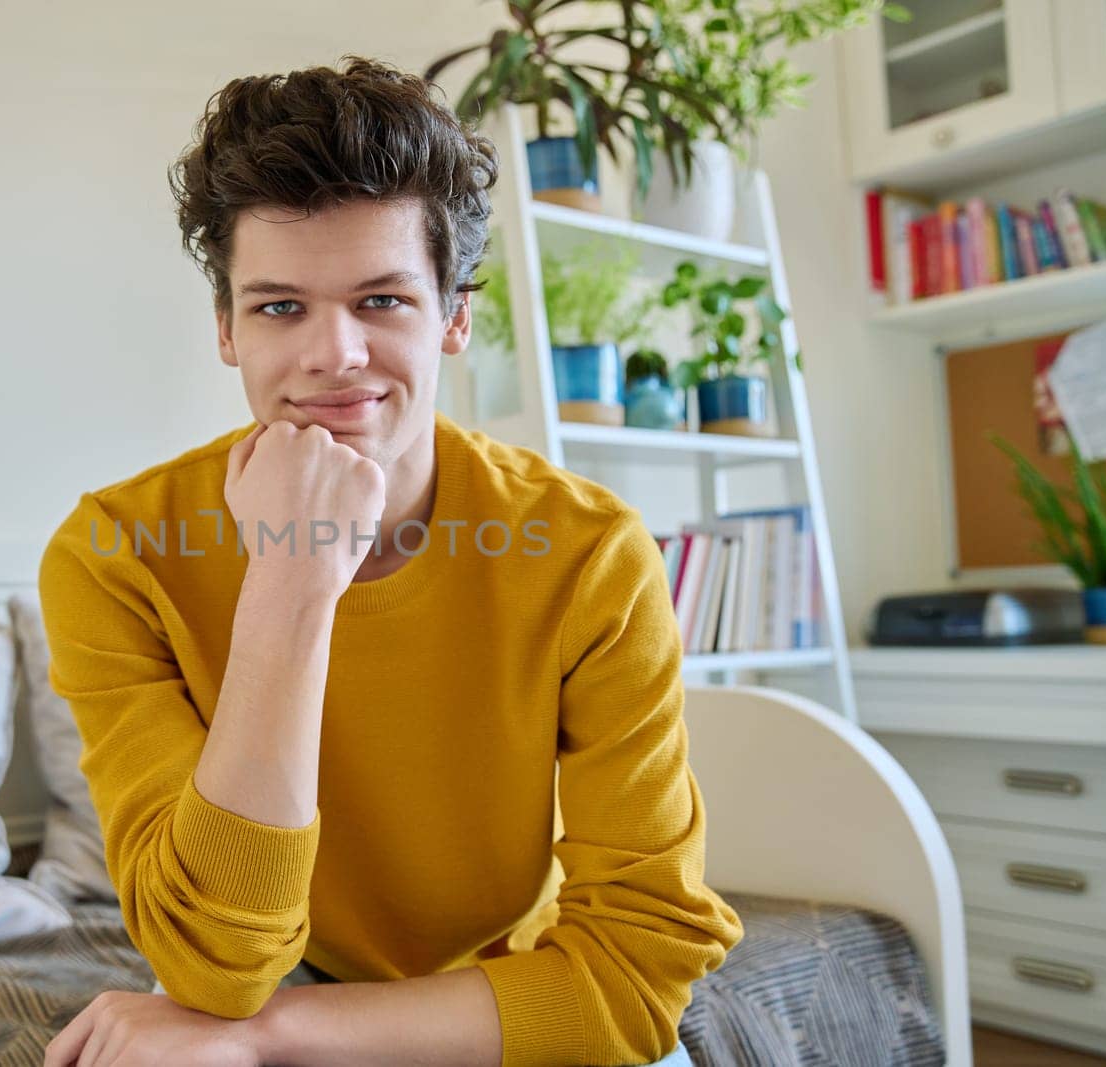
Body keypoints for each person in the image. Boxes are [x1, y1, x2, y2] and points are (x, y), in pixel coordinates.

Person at [39, 54, 743, 1067]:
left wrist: (275, 1036)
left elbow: (635, 975)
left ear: (454, 316)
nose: (334, 352)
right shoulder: (115, 551)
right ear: (227, 329)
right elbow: (215, 964)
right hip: (271, 966)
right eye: (280, 306)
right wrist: (292, 574)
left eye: (381, 301)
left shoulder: (588, 552)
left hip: (501, 983)